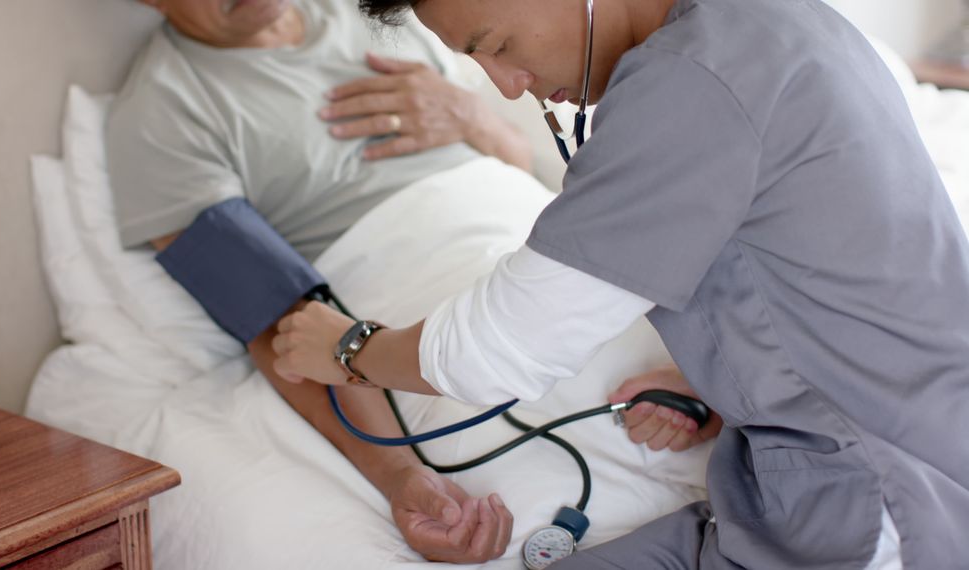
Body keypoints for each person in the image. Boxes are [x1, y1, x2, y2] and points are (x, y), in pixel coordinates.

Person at [271, 0, 969, 568]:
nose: (506, 84)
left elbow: (493, 350)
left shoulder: (688, 81)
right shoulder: (772, 22)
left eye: (498, 44)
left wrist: (347, 348)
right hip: (885, 455)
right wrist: (720, 372)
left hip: (878, 511)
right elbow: (821, 253)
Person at [108, 0, 708, 563]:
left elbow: (516, 159)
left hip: (545, 238)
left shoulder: (386, 13)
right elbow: (280, 322)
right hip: (409, 289)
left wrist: (473, 117)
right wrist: (399, 477)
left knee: (685, 370)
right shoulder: (162, 112)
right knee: (568, 434)